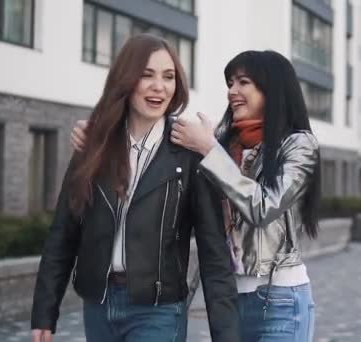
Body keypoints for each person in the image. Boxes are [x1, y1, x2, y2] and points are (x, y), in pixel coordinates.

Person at [72, 50, 322, 342]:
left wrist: (210, 150)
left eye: (243, 82)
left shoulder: (299, 145)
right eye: (230, 83)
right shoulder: (222, 138)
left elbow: (264, 207)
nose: (232, 91)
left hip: (280, 300)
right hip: (231, 300)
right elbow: (153, 131)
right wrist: (97, 134)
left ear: (272, 88)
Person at [31, 33, 239, 342]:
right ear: (126, 80)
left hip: (159, 310)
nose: (159, 86)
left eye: (168, 77)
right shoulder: (94, 145)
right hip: (98, 306)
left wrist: (227, 335)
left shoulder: (188, 152)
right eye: (147, 75)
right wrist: (44, 313)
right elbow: (63, 233)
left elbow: (214, 252)